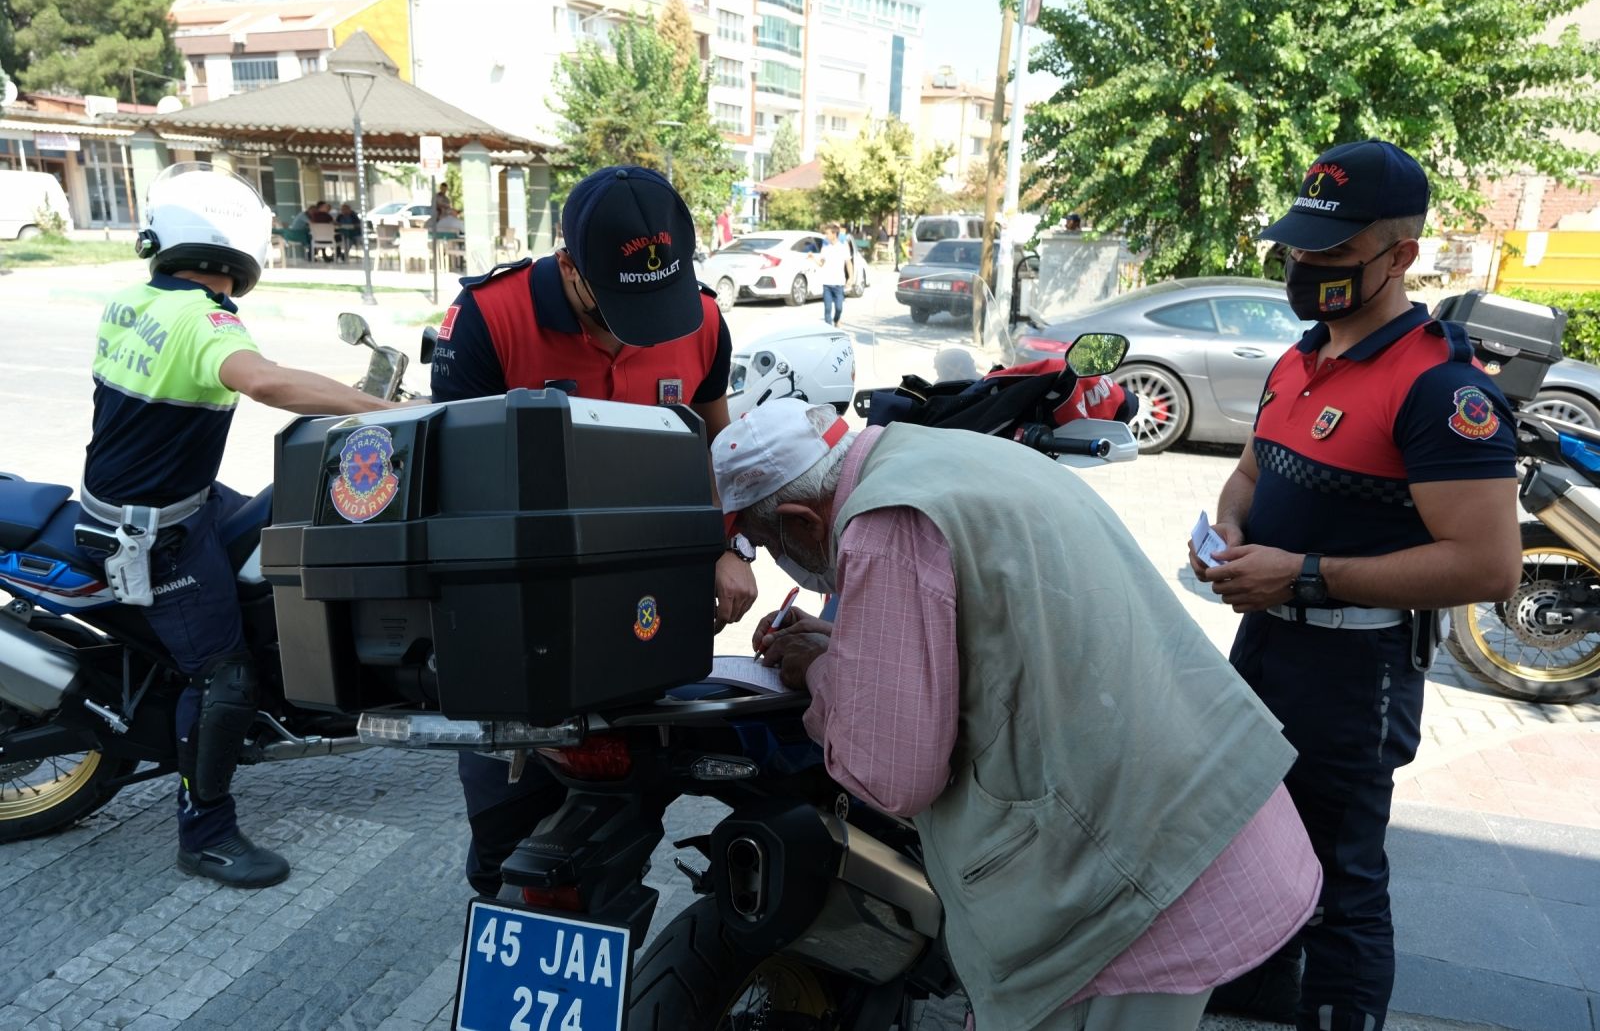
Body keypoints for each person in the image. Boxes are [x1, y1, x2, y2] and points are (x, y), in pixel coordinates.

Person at [715, 399, 1321, 1031]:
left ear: (802, 520)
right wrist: (849, 647)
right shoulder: (929, 454)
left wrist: (817, 674)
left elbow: (891, 774)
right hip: (1189, 811)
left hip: (1135, 879)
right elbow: (983, 631)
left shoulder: (883, 524)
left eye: (761, 545)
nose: (769, 560)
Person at [1191, 139, 1522, 1031]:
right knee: (1248, 843)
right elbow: (1251, 478)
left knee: (1341, 879)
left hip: (1354, 673)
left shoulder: (1442, 389)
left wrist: (1303, 574)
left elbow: (1492, 564)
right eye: (1299, 247)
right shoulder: (1297, 360)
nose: (1307, 268)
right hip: (1263, 646)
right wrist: (1227, 533)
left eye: (1333, 255)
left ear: (1400, 254)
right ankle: (1256, 990)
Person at [429, 164, 760, 896]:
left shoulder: (703, 319)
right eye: (616, 306)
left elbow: (718, 445)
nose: (634, 335)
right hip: (515, 631)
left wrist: (728, 545)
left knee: (619, 832)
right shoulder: (490, 316)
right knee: (504, 846)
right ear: (570, 265)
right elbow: (447, 487)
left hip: (648, 624)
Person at [82, 163, 395, 888]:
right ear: (240, 247)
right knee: (224, 674)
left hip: (150, 498)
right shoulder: (207, 318)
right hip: (155, 531)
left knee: (270, 516)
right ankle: (206, 829)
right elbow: (263, 379)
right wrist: (377, 409)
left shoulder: (130, 300)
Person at [816, 224, 850, 326]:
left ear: (834, 234)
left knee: (839, 308)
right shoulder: (825, 248)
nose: (826, 236)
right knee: (827, 308)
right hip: (827, 284)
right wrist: (813, 258)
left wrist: (851, 278)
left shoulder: (843, 247)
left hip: (839, 283)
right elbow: (821, 263)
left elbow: (849, 263)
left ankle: (836, 320)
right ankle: (828, 329)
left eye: (827, 233)